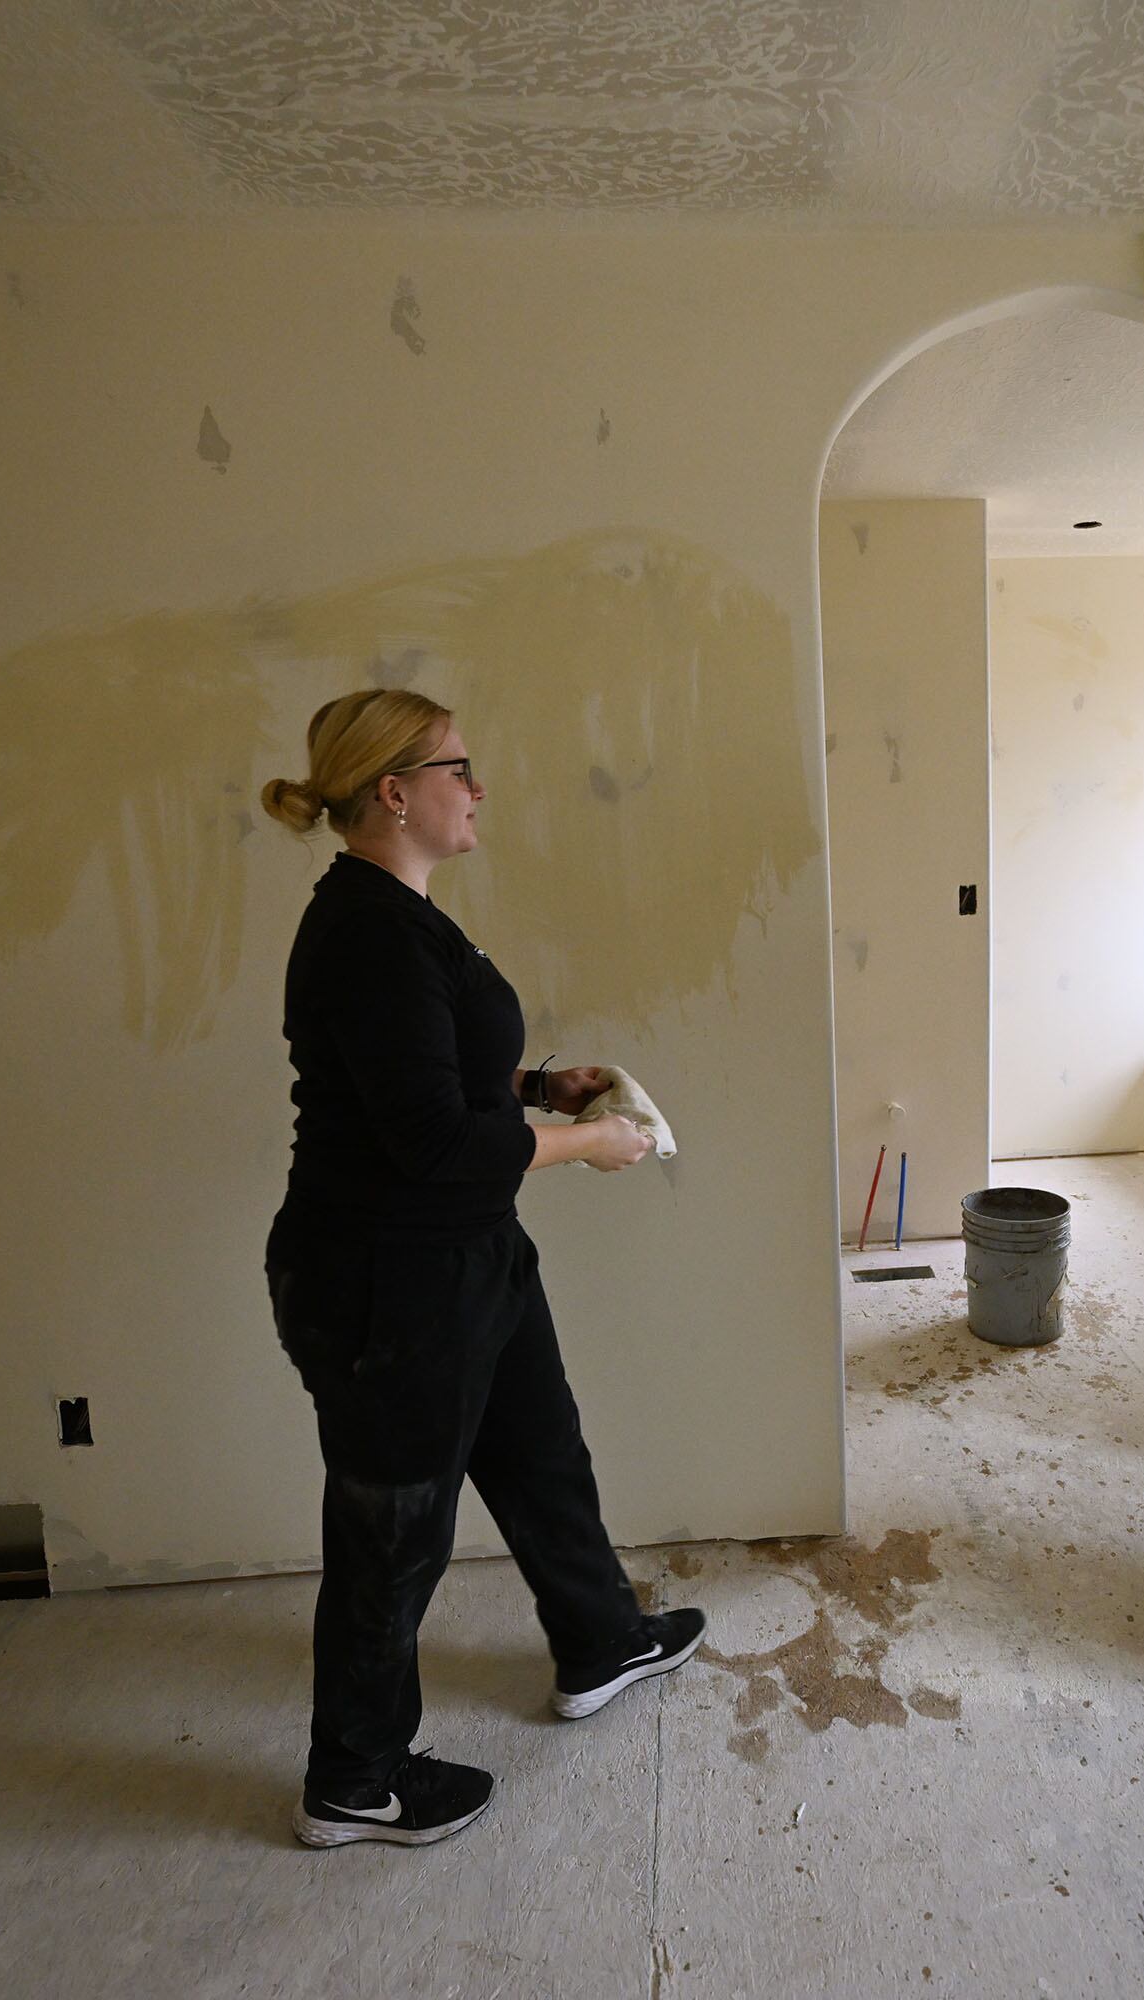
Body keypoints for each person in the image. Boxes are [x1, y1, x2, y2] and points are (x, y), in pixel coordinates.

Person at [257, 688, 704, 1849]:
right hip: (386, 1282)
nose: (479, 786)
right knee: (393, 1530)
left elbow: (429, 1084)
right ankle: (354, 1776)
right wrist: (591, 1140)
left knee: (542, 1450)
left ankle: (600, 1637)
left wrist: (537, 1087)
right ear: (393, 792)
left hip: (465, 1258)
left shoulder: (401, 917)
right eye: (460, 767)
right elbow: (429, 1142)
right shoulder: (362, 930)